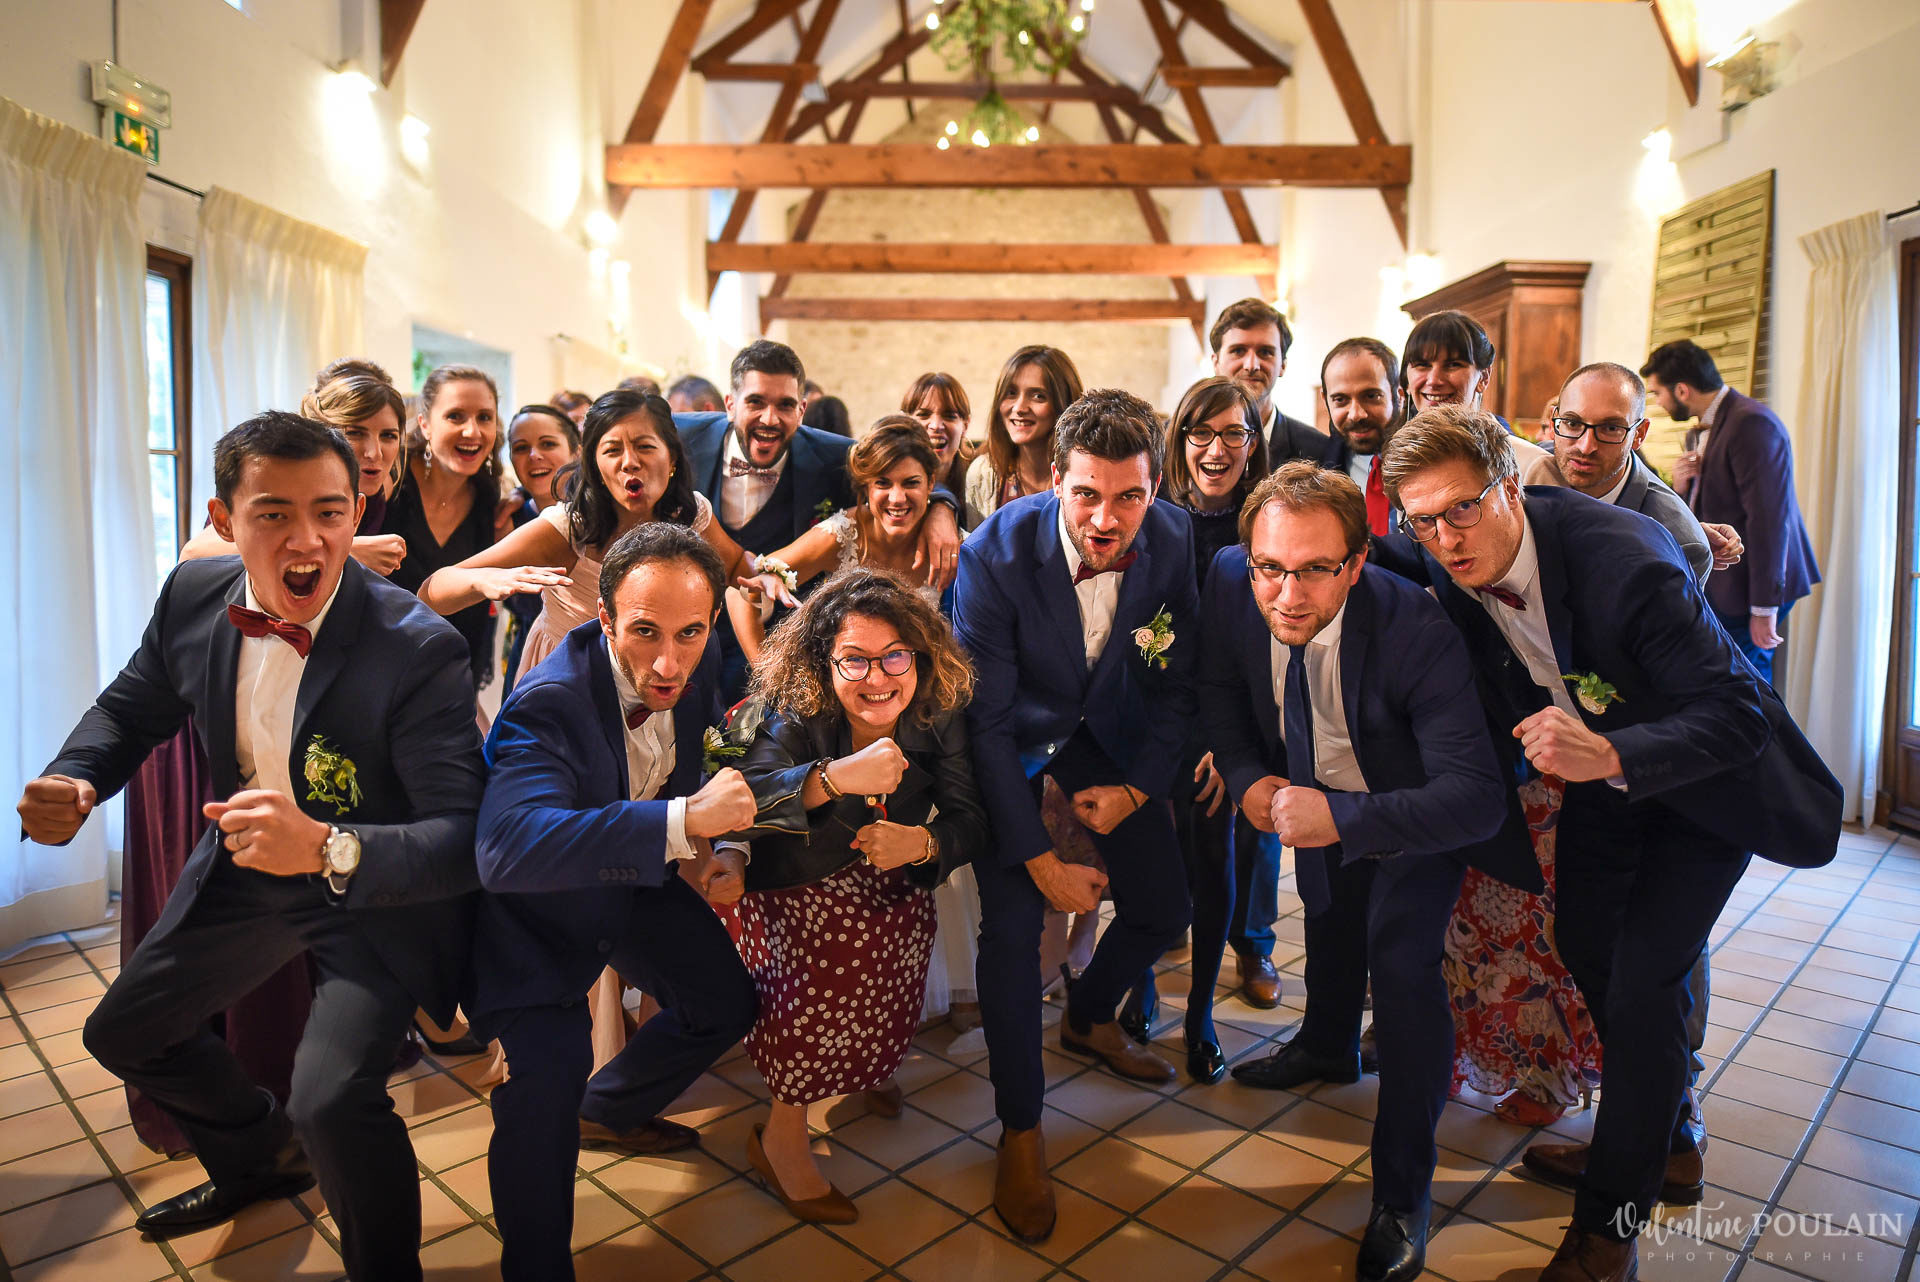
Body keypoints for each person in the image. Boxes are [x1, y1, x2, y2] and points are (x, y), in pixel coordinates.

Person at [1379, 405, 1843, 1282]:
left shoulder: (1625, 562)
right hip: (1607, 783)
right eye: (1423, 520)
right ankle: (1668, 1141)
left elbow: (1739, 714)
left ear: (1510, 486)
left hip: (1707, 787)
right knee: (1586, 944)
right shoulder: (1450, 563)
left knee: (1642, 986)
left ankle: (1609, 1229)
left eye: (1462, 509)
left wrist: (1612, 753)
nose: (1445, 537)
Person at [20, 411, 483, 1280]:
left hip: (371, 888)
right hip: (248, 868)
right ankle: (261, 1160)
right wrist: (77, 778)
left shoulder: (417, 648)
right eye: (274, 514)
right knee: (127, 1032)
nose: (307, 540)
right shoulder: (193, 598)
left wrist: (329, 848)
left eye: (330, 512)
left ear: (356, 512)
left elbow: (461, 840)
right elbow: (129, 708)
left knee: (333, 1100)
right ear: (223, 520)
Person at [1204, 462, 1518, 1282]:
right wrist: (1246, 777)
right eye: (1270, 568)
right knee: (1330, 912)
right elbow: (1222, 695)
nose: (1287, 595)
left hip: (1414, 814)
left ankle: (1402, 1195)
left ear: (1357, 562)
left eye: (1315, 569)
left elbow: (1475, 798)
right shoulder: (1231, 582)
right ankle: (1326, 1045)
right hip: (1313, 789)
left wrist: (1341, 819)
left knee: (1405, 970)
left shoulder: (1417, 628)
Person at [121, 358, 413, 1154]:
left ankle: (328, 1069)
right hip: (224, 724)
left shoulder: (396, 498)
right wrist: (335, 551)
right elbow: (196, 555)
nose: (375, 450)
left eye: (388, 435)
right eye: (355, 433)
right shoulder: (284, 493)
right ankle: (251, 1086)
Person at [466, 523, 759, 1282]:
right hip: (535, 917)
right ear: (604, 619)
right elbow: (506, 851)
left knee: (726, 1001)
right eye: (645, 632)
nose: (668, 663)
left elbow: (714, 764)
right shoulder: (550, 700)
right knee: (543, 1092)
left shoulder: (700, 662)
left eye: (690, 633)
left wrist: (726, 845)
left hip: (629, 882)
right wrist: (681, 822)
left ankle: (609, 1109)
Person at [953, 388, 1197, 1243]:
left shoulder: (1175, 539)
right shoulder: (992, 554)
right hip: (1014, 750)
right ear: (1055, 478)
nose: (1106, 519)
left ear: (1155, 487)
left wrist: (1138, 789)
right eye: (1087, 493)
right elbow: (983, 724)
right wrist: (1038, 858)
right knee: (1014, 936)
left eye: (1130, 496)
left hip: (1110, 746)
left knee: (1165, 908)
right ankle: (1021, 1129)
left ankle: (1089, 1018)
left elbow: (1176, 685)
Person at [730, 567, 989, 1222]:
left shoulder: (938, 709)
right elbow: (749, 800)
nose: (878, 678)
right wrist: (835, 777)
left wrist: (922, 844)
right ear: (825, 662)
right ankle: (781, 1137)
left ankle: (863, 1066)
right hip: (796, 882)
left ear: (919, 656)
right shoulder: (794, 709)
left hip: (895, 876)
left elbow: (970, 818)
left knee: (896, 977)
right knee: (826, 974)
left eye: (895, 656)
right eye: (855, 660)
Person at [1117, 376, 1276, 1081]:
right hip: (1150, 718)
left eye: (1233, 433)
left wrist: (1231, 744)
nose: (1216, 449)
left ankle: (1202, 1013)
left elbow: (1264, 649)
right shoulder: (1154, 517)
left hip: (1224, 729)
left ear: (1253, 441)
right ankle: (1144, 984)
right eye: (1201, 433)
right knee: (1145, 861)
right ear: (1178, 441)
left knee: (1215, 864)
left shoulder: (1267, 522)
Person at [674, 340, 962, 695]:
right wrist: (771, 681)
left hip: (805, 648)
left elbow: (900, 471)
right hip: (686, 632)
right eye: (756, 402)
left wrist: (942, 507)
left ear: (802, 410)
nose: (769, 418)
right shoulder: (677, 436)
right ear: (730, 404)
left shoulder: (835, 457)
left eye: (784, 404)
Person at [1642, 338, 1819, 686]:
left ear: (1681, 390)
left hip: (1751, 584)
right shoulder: (1702, 428)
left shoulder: (1752, 424)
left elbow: (1770, 520)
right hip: (1726, 582)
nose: (1659, 403)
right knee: (1726, 680)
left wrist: (1764, 608)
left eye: (1658, 393)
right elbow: (1708, 504)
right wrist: (1681, 486)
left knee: (1748, 683)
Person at [385, 364, 509, 689]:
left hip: (452, 672)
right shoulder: (389, 484)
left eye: (484, 417)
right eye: (455, 416)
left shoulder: (489, 498)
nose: (472, 431)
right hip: (381, 671)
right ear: (425, 424)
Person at [499, 404, 581, 689]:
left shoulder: (601, 515)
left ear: (576, 452)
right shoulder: (509, 518)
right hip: (529, 655)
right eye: (521, 448)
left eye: (547, 444)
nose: (534, 455)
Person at [964, 344, 1083, 527]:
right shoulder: (983, 473)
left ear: (1064, 405)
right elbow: (976, 543)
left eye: (1038, 396)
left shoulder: (1084, 473)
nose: (1019, 408)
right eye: (1011, 393)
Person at [1207, 297, 1317, 461]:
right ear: (1216, 362)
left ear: (1283, 365)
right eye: (1238, 351)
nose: (1251, 365)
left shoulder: (1317, 450)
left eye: (1265, 352)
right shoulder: (1173, 440)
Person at [902, 370, 974, 497]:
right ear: (904, 421)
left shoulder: (982, 481)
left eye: (949, 416)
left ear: (965, 426)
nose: (936, 426)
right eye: (923, 415)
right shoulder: (885, 478)